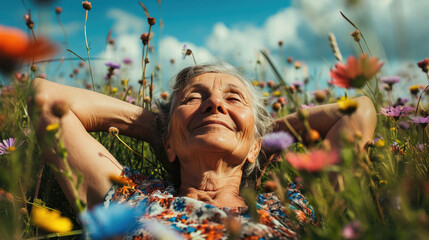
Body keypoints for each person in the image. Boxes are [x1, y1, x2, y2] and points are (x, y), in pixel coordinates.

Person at [32, 62, 377, 239]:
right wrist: (160, 128)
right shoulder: (128, 200)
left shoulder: (296, 207)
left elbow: (360, 110)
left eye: (232, 98)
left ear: (256, 147)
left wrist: (266, 137)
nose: (214, 103)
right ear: (167, 143)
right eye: (194, 98)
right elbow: (42, 99)